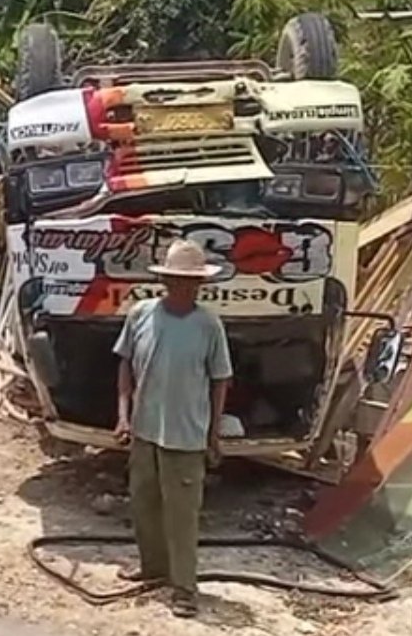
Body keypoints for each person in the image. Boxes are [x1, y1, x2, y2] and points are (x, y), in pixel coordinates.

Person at [112, 238, 233, 619]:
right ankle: (153, 568)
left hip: (186, 436)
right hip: (145, 430)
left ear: (200, 285)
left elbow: (220, 379)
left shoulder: (208, 324)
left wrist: (214, 434)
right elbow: (125, 364)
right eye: (178, 280)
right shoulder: (141, 315)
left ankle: (184, 589)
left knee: (182, 516)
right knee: (143, 503)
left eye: (192, 282)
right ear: (165, 281)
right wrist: (123, 416)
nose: (185, 287)